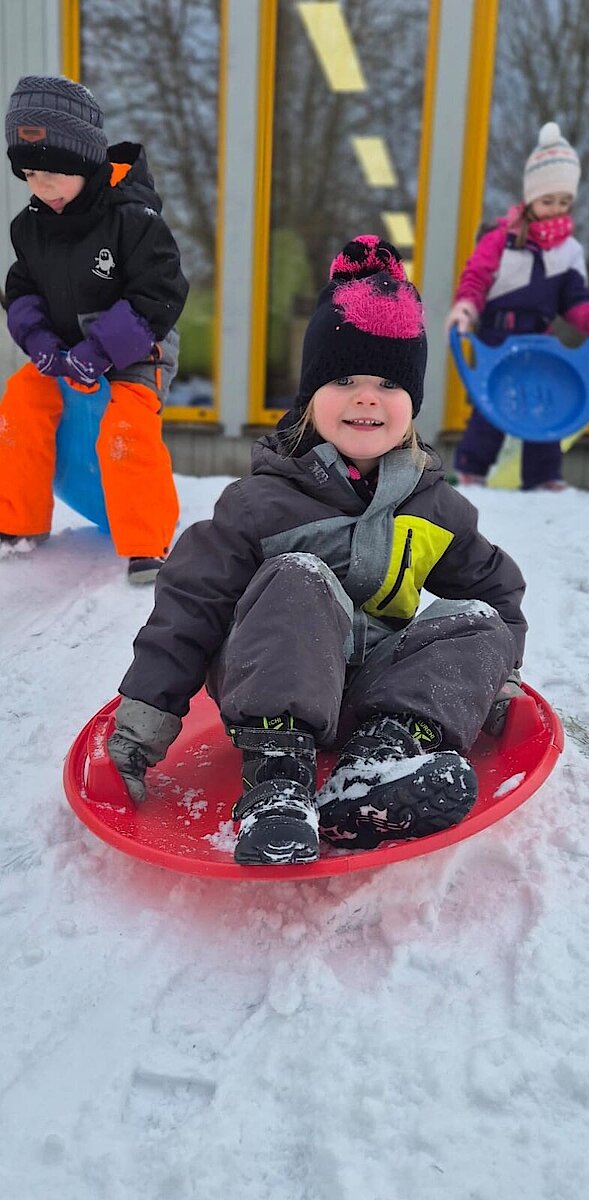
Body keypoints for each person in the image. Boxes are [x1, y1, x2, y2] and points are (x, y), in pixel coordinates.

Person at [107, 234, 528, 867]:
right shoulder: (260, 504)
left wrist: (496, 678)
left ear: (412, 403)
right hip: (273, 685)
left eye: (389, 382)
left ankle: (377, 764)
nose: (367, 397)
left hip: (376, 694)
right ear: (309, 395)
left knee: (478, 619)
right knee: (299, 576)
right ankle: (277, 785)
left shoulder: (434, 506)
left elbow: (496, 590)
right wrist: (141, 728)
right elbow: (189, 609)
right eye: (344, 379)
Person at [0, 75, 188, 583]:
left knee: (127, 426)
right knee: (19, 403)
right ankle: (17, 521)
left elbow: (160, 293)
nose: (41, 186)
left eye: (53, 173)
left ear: (84, 160)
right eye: (30, 174)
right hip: (64, 352)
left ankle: (147, 543)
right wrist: (39, 341)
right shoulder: (30, 226)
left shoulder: (134, 219)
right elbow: (21, 289)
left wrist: (102, 349)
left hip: (137, 349)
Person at [447, 122, 589, 491]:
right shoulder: (501, 241)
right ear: (531, 197)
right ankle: (472, 470)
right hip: (497, 334)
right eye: (548, 201)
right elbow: (476, 278)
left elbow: (575, 299)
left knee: (546, 401)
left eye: (564, 202)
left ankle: (544, 476)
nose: (556, 210)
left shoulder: (569, 251)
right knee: (492, 403)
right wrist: (465, 309)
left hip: (539, 337)